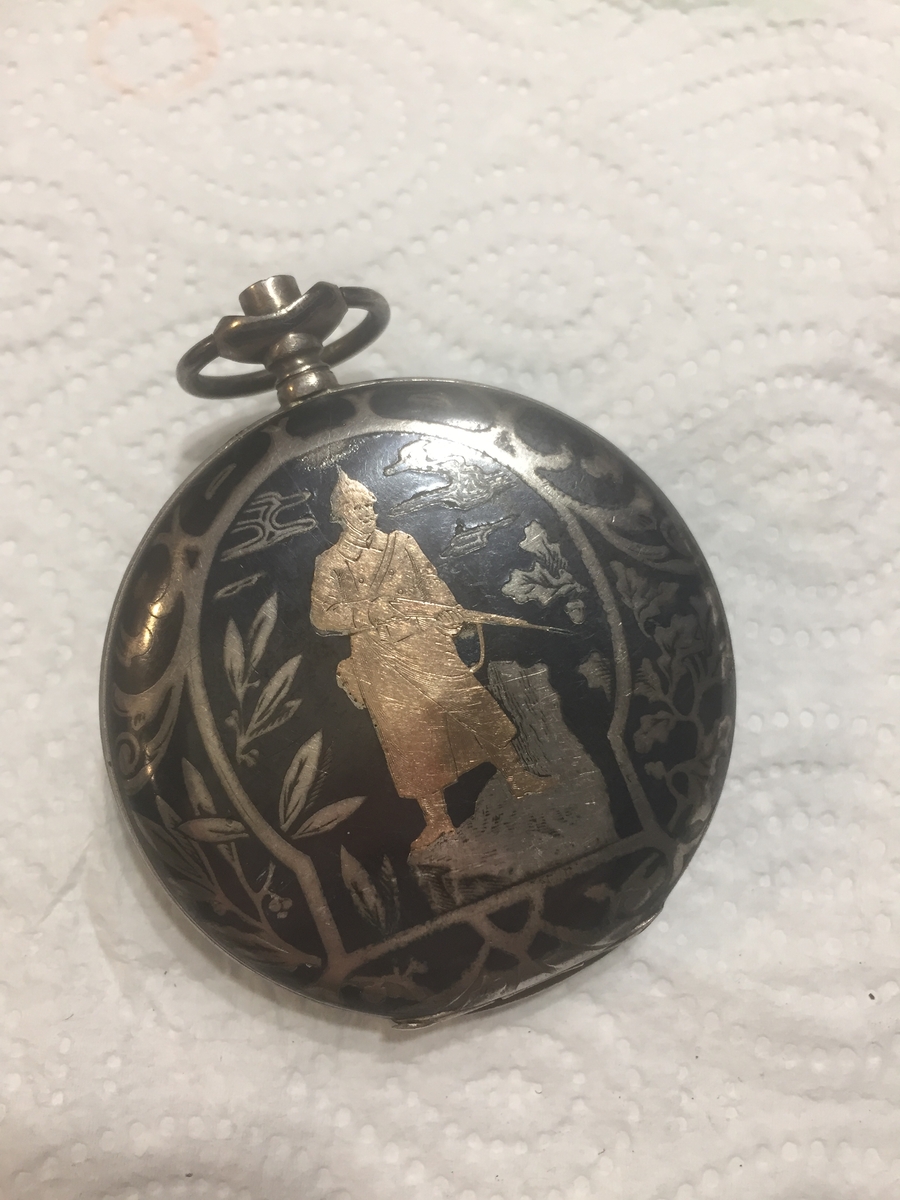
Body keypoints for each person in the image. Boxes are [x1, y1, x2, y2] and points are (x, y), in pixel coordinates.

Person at [310, 469, 546, 851]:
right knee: (407, 738)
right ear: (340, 515)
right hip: (379, 660)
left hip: (426, 643)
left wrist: (450, 613)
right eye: (356, 508)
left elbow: (430, 581)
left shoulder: (401, 543)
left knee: (472, 705)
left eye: (369, 505)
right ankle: (437, 820)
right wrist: (371, 612)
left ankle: (518, 777)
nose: (366, 513)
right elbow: (323, 616)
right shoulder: (331, 562)